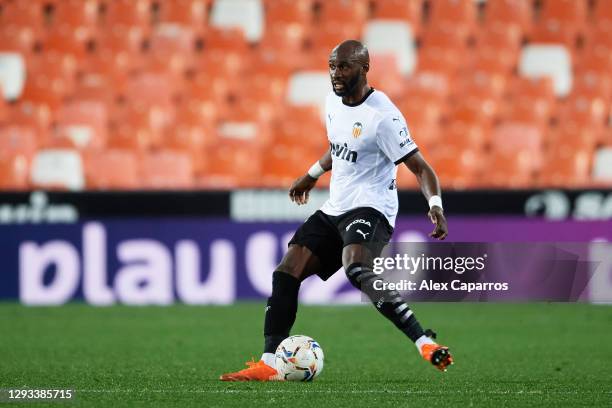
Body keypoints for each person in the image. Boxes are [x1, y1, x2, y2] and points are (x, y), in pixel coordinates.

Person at [220, 40, 452, 381]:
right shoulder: (332, 101)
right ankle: (270, 363)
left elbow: (420, 168)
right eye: (332, 66)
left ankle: (424, 342)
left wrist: (435, 206)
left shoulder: (382, 116)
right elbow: (339, 146)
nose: (336, 73)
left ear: (364, 67)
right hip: (335, 206)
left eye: (344, 66)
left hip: (371, 207)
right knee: (287, 271)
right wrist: (311, 174)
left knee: (355, 268)